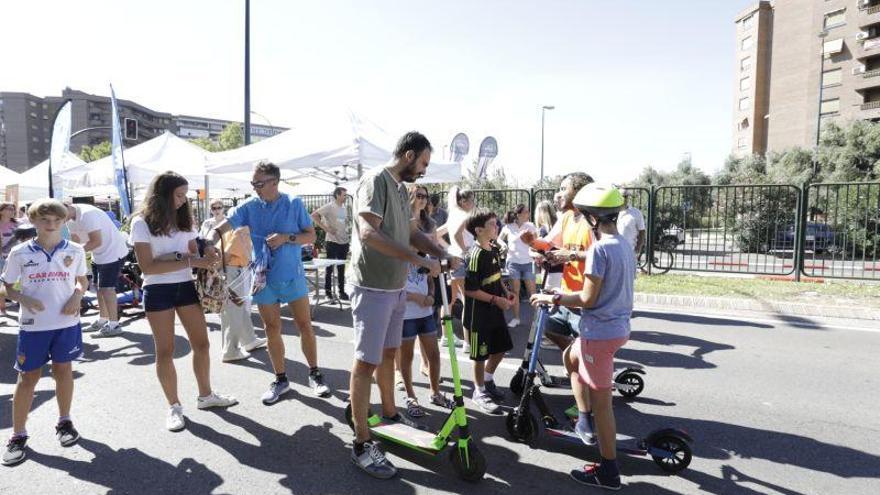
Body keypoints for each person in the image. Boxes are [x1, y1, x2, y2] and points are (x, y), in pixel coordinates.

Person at [348, 131, 451, 479]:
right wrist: (417, 260)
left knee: (389, 355)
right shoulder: (375, 180)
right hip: (372, 285)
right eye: (422, 163)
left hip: (394, 287)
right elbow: (368, 233)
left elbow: (410, 232)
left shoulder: (404, 190)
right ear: (408, 155)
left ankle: (389, 413)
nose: (423, 171)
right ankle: (361, 442)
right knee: (366, 362)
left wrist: (439, 251)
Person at [531, 184, 633, 490]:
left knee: (604, 404)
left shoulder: (600, 250)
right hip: (616, 328)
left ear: (590, 217)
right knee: (569, 357)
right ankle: (584, 418)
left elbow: (588, 299)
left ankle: (609, 471)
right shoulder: (623, 244)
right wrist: (562, 294)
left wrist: (555, 300)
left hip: (599, 333)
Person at [206, 161, 331, 402]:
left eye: (259, 183)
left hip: (292, 276)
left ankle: (315, 373)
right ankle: (281, 379)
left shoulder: (293, 203)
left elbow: (311, 235)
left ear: (275, 182)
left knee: (304, 325)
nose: (255, 188)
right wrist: (211, 238)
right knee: (272, 329)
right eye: (253, 183)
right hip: (263, 278)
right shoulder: (249, 207)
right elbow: (225, 225)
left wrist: (287, 237)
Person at [130, 172, 237, 431]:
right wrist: (191, 261)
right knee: (165, 351)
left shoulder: (184, 219)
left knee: (202, 343)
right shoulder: (140, 223)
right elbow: (148, 267)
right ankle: (174, 406)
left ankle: (206, 395)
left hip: (186, 286)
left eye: (184, 195)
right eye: (178, 195)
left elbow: (191, 248)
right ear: (162, 195)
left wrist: (205, 250)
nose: (182, 200)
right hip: (158, 290)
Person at [1, 199, 88, 466]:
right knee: (28, 379)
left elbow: (82, 282)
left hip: (66, 325)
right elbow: (6, 287)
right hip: (33, 327)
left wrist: (76, 295)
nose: (51, 226)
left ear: (64, 222)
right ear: (34, 221)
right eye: (44, 220)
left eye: (56, 221)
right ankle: (18, 435)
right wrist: (22, 299)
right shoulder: (19, 252)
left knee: (64, 372)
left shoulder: (75, 250)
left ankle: (64, 421)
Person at [394, 184, 453, 418]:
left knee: (434, 354)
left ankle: (435, 392)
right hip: (405, 305)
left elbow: (430, 266)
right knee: (406, 357)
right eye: (418, 195)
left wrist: (429, 293)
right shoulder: (399, 225)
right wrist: (416, 296)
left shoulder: (429, 224)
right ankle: (410, 396)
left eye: (425, 197)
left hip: (424, 306)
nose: (422, 200)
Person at [522, 172, 594, 352]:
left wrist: (570, 255)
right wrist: (532, 242)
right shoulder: (567, 217)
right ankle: (573, 356)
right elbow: (549, 243)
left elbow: (602, 256)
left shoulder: (593, 221)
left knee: (589, 355)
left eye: (563, 189)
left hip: (586, 300)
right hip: (567, 295)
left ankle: (580, 363)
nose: (558, 194)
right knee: (549, 329)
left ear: (579, 191)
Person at [463, 207, 514, 414]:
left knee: (501, 347)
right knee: (479, 355)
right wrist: (495, 299)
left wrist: (506, 291)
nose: (497, 227)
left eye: (496, 223)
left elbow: (497, 276)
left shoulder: (492, 249)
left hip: (495, 310)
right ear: (479, 230)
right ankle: (479, 391)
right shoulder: (474, 255)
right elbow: (470, 290)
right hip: (479, 315)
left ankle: (488, 379)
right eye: (492, 224)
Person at [65, 202, 130, 338]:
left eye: (58, 217)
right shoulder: (70, 219)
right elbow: (75, 243)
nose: (56, 221)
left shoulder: (87, 214)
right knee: (99, 289)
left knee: (107, 289)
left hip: (113, 253)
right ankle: (103, 320)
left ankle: (114, 325)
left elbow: (96, 242)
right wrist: (70, 256)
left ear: (66, 208)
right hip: (98, 255)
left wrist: (71, 255)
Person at [218, 225, 268, 362]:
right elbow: (227, 254)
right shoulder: (242, 230)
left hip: (233, 270)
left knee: (238, 308)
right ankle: (230, 351)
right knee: (234, 311)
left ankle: (249, 339)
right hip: (234, 271)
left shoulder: (236, 226)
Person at [436, 186, 475, 352]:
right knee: (467, 300)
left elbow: (437, 234)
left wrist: (449, 248)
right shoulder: (465, 216)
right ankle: (467, 341)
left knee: (449, 300)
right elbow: (458, 235)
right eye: (472, 200)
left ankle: (446, 336)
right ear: (463, 201)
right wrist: (464, 250)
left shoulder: (453, 215)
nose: (474, 203)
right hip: (461, 260)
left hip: (453, 259)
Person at [498, 204, 538, 328]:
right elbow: (498, 239)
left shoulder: (531, 226)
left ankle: (537, 320)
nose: (528, 214)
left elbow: (537, 243)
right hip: (513, 263)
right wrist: (502, 245)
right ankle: (516, 318)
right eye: (526, 212)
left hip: (528, 262)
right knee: (515, 291)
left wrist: (531, 240)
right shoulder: (508, 227)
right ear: (518, 214)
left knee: (532, 292)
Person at [310, 186, 351, 300]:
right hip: (332, 242)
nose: (345, 197)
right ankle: (328, 293)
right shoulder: (329, 206)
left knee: (341, 268)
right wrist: (326, 229)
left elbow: (342, 223)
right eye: (344, 195)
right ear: (337, 195)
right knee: (329, 268)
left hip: (344, 242)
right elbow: (314, 215)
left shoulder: (343, 207)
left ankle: (342, 292)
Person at [616, 190, 646, 266]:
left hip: (630, 251)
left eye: (625, 196)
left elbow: (642, 231)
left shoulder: (636, 213)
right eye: (621, 196)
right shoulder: (612, 212)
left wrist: (638, 249)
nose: (624, 198)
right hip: (614, 251)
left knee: (629, 275)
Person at [0, 202, 18, 317]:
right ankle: (2, 309)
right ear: (1, 211)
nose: (12, 211)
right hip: (1, 257)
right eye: (9, 209)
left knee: (17, 281)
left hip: (16, 257)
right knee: (1, 282)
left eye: (13, 209)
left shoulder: (18, 224)